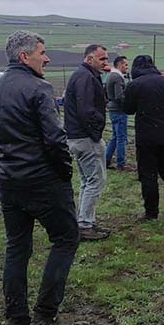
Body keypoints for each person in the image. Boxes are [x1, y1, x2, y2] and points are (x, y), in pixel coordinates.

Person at [0, 31, 85, 325]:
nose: (47, 58)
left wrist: (4, 165)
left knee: (17, 246)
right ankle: (45, 315)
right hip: (44, 181)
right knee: (65, 239)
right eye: (42, 52)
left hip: (9, 183)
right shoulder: (40, 88)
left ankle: (16, 318)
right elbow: (54, 139)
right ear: (25, 57)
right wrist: (63, 172)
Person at [123, 55, 164, 222]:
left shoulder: (134, 85)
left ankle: (151, 212)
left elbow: (128, 109)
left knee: (148, 175)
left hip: (146, 137)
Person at [64, 44, 111, 241]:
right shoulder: (85, 78)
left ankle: (85, 220)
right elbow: (86, 110)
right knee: (95, 180)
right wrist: (95, 132)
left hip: (77, 136)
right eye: (102, 59)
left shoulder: (83, 75)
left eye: (106, 59)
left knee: (87, 181)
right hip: (85, 138)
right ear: (89, 59)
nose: (105, 63)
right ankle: (84, 225)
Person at [104, 56, 130, 171]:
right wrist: (129, 103)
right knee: (121, 138)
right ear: (119, 64)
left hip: (112, 110)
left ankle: (106, 160)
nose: (127, 67)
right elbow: (119, 96)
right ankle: (121, 164)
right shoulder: (117, 77)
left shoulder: (110, 76)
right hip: (119, 111)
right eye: (125, 65)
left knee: (115, 137)